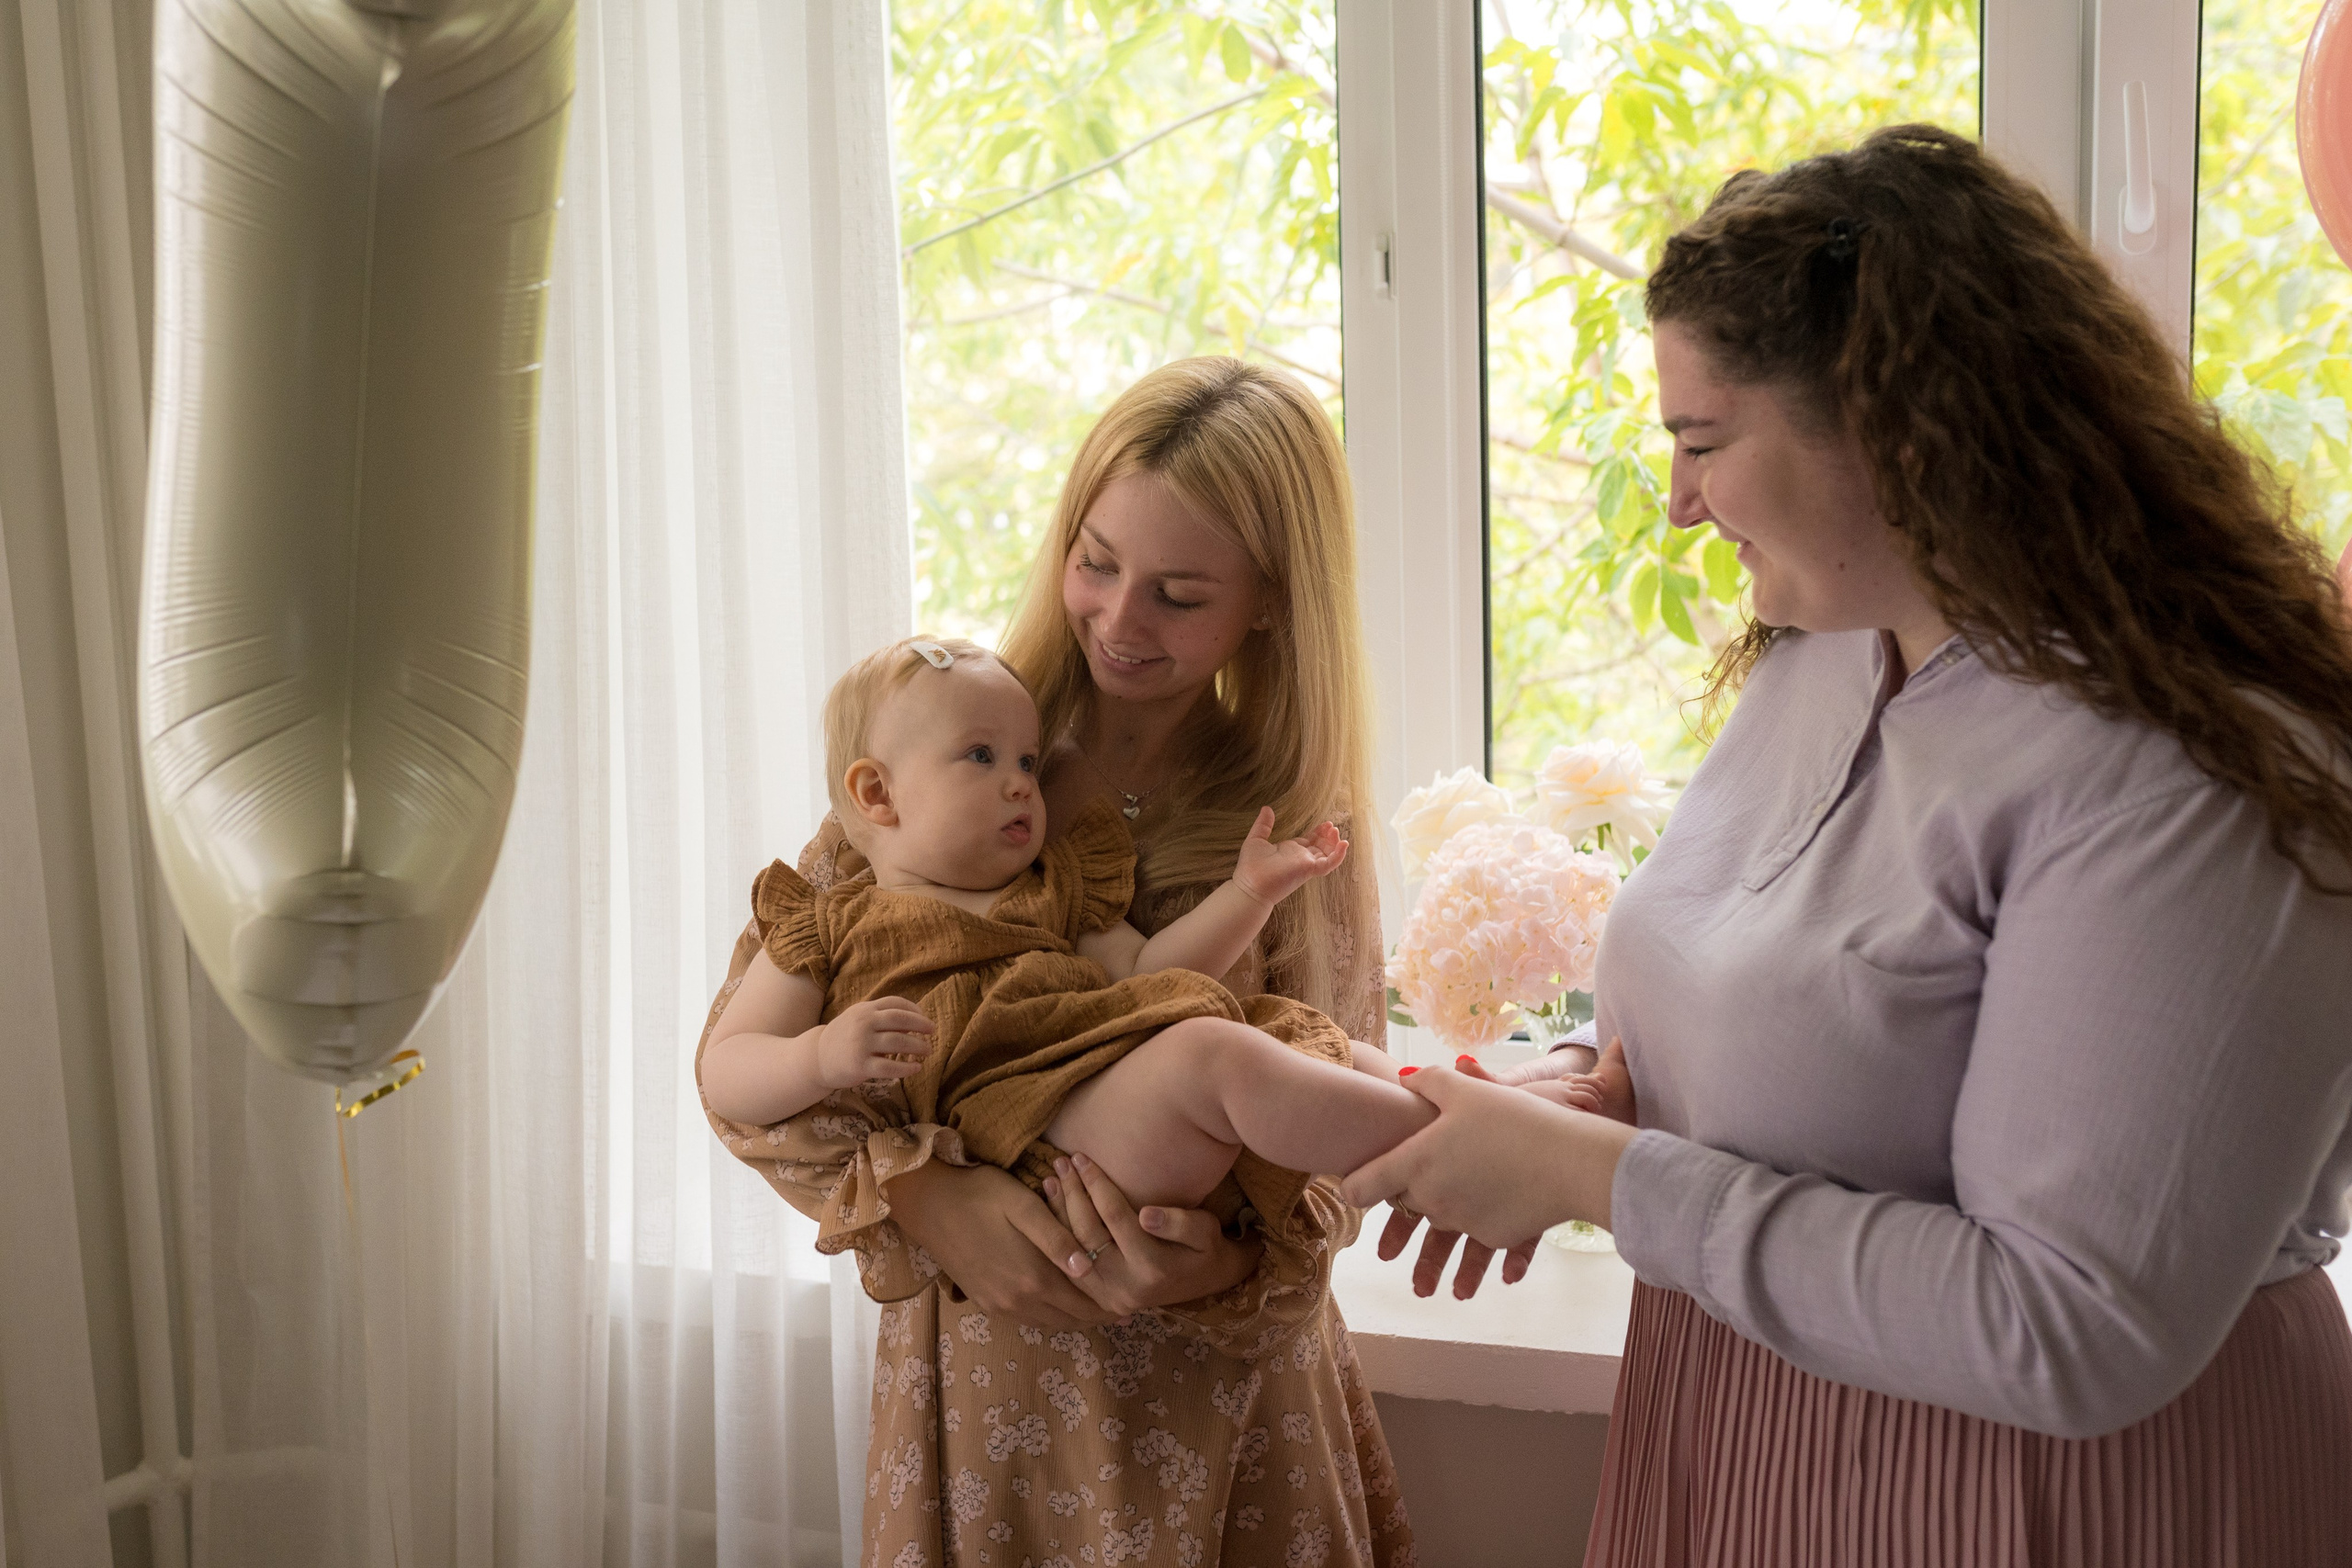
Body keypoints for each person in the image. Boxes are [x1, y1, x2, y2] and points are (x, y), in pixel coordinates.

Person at [1348, 123, 2352, 1564]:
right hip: (1746, 1434)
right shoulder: (1827, 655)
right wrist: (1590, 1100)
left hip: (2062, 1497)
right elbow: (1796, 1023)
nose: (1678, 499)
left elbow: (2072, 1322)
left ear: (1894, 424)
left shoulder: (2189, 771)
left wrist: (1599, 1180)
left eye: (1704, 441)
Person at [693, 359, 1416, 1566]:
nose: (1121, 621)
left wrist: (1232, 1263)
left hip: (1226, 1415)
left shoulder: (1290, 826)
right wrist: (924, 1195)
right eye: (1097, 563)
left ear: (1270, 603)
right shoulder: (939, 752)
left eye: (1178, 595)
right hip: (992, 1397)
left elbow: (1344, 1128)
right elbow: (743, 1076)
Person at [698, 632, 1430, 1213]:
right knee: (1219, 1053)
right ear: (878, 793)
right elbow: (727, 1069)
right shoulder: (828, 924)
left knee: (1304, 1037)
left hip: (1129, 1089)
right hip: (1043, 1138)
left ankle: (1456, 1109)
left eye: (1026, 758)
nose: (1021, 781)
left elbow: (1154, 974)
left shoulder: (1054, 889)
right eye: (981, 756)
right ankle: (1446, 1147)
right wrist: (820, 1056)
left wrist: (1248, 893)